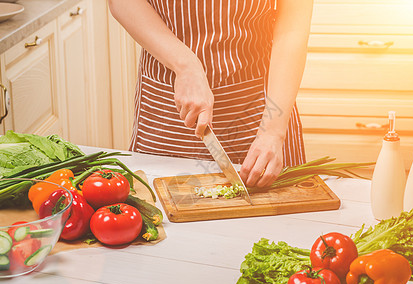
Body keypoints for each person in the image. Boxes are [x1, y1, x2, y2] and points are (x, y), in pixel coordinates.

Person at [108, 0, 313, 188]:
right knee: (163, 214)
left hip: (261, 108)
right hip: (168, 112)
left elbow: (293, 25)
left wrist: (272, 131)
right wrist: (185, 65)